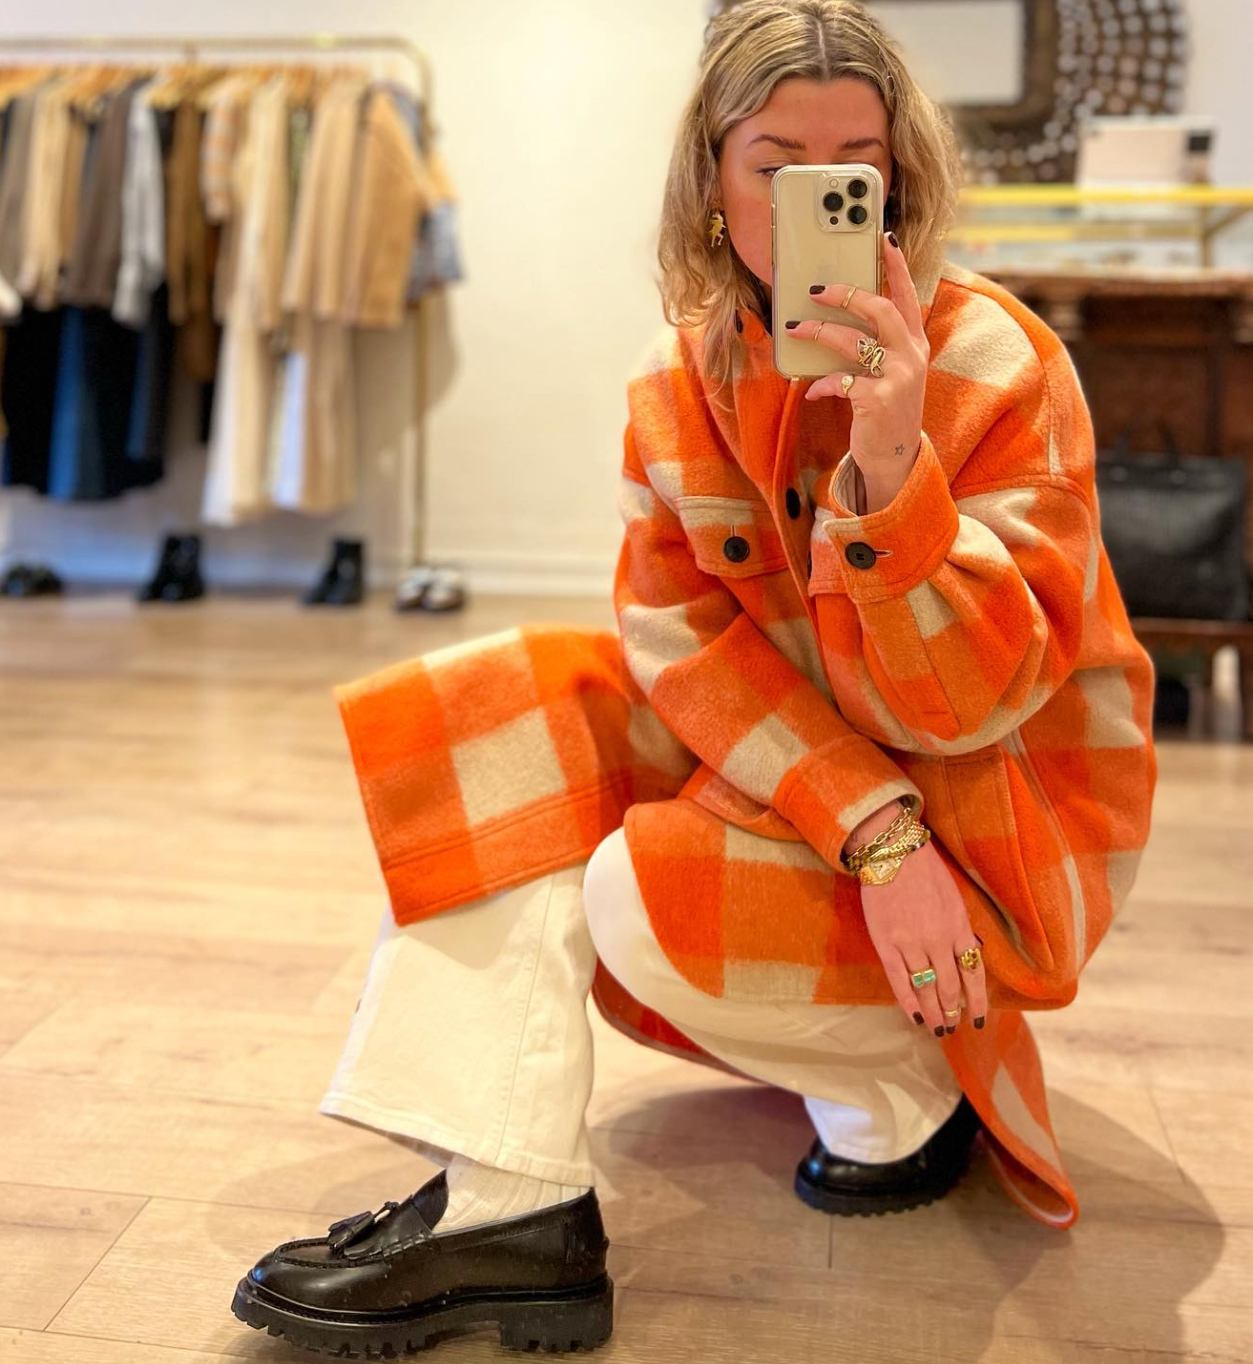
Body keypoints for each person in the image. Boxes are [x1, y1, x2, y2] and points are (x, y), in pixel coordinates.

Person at [230, 1, 1157, 1355]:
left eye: (854, 165)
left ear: (896, 178)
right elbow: (676, 640)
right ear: (710, 183)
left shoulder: (1000, 365)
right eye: (773, 160)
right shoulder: (676, 382)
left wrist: (894, 470)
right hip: (859, 822)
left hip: (990, 838)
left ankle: (917, 1087)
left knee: (634, 888)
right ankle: (506, 1202)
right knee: (507, 701)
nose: (814, 197)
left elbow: (967, 709)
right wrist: (865, 828)